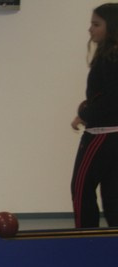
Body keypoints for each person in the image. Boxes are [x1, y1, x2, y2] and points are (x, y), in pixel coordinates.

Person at [70, 3, 118, 228]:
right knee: (112, 194)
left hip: (100, 136)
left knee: (81, 188)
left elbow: (109, 100)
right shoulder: (111, 57)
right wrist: (86, 111)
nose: (90, 29)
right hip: (112, 135)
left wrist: (84, 112)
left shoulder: (109, 58)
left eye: (96, 24)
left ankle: (85, 239)